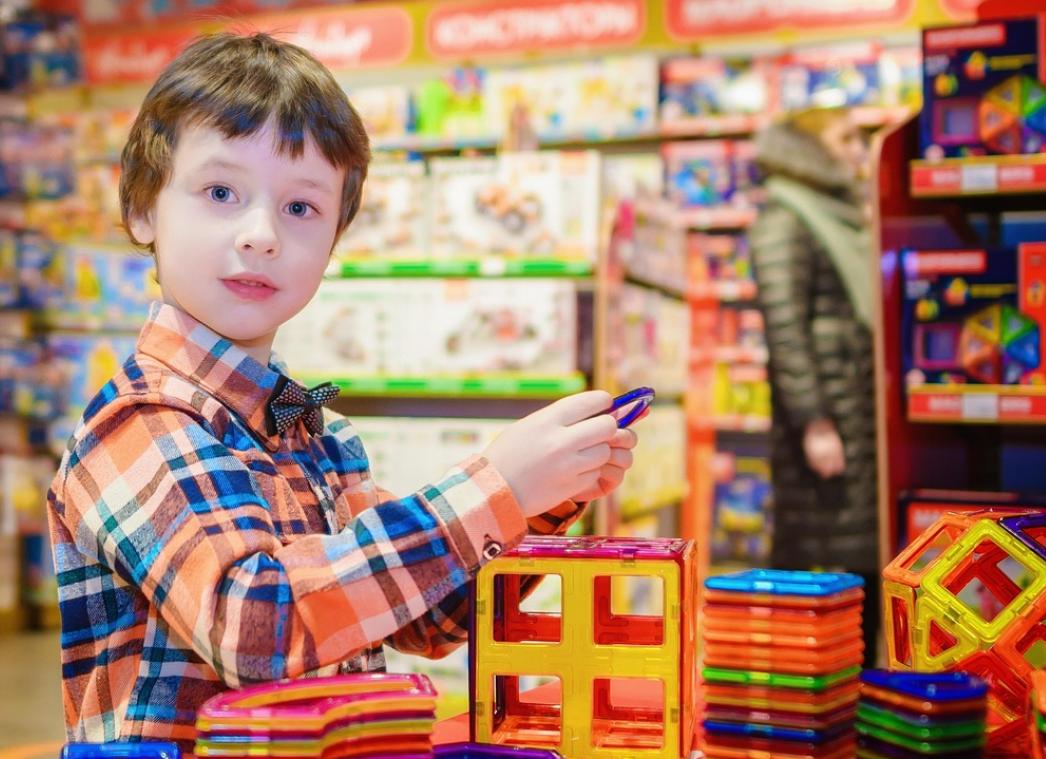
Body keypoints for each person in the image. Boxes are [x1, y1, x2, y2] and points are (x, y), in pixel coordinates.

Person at [46, 32, 637, 748]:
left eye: (302, 208)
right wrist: (494, 484)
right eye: (220, 192)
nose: (261, 233)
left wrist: (536, 496)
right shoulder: (139, 422)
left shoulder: (313, 426)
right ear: (143, 208)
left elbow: (425, 617)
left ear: (334, 240)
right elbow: (256, 625)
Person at [747, 108, 881, 662]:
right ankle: (807, 688)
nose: (857, 149)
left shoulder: (837, 213)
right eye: (845, 137)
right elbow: (786, 328)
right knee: (818, 559)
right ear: (808, 148)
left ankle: (856, 681)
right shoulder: (786, 218)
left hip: (854, 410)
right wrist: (815, 421)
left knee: (858, 553)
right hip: (830, 420)